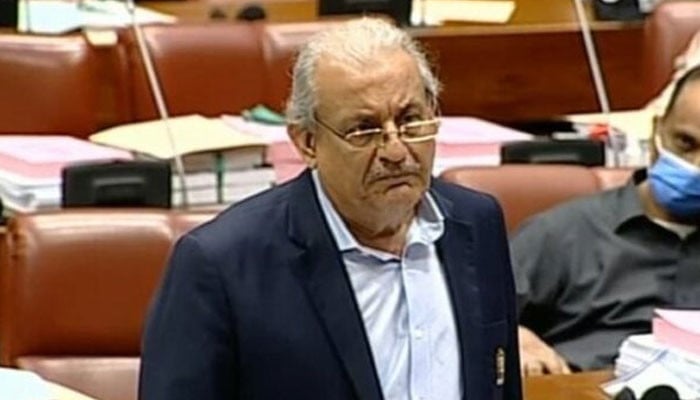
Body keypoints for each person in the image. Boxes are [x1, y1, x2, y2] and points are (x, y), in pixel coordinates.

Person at [139, 18, 521, 400]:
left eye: (410, 121)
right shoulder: (222, 264)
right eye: (364, 130)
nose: (395, 150)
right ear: (307, 142)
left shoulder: (477, 223)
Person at [512, 65, 700, 376]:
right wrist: (515, 337)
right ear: (657, 132)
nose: (695, 167)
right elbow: (469, 317)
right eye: (685, 143)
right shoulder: (562, 233)